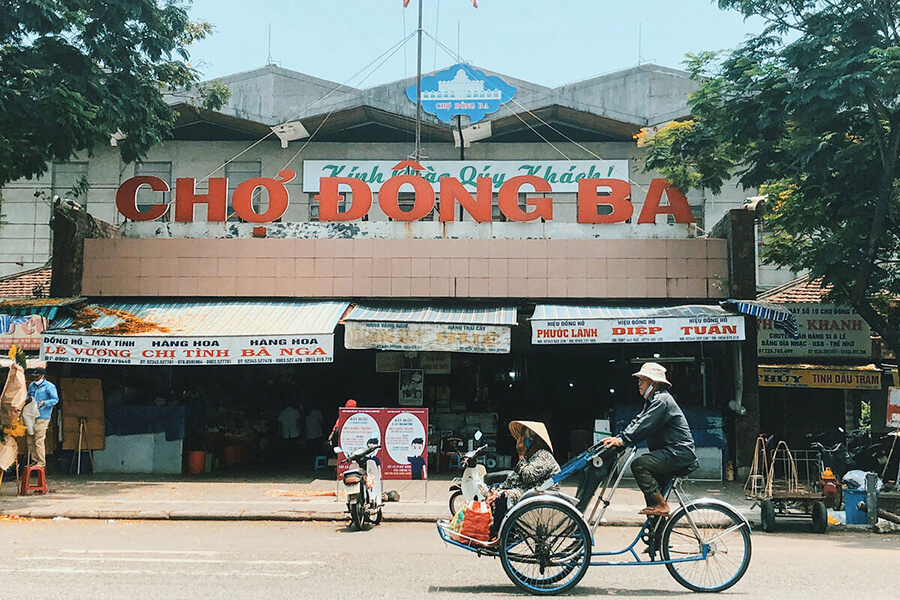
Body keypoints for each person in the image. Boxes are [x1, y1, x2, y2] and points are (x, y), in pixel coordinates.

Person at [601, 362, 698, 517]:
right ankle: (658, 538)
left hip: (677, 452)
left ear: (653, 383)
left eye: (642, 380)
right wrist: (620, 438)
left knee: (639, 465)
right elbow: (638, 421)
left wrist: (623, 440)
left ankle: (661, 504)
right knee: (651, 503)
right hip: (669, 452)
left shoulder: (662, 401)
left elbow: (644, 425)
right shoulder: (653, 401)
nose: (639, 384)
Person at [488, 420, 560, 541]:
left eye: (524, 438)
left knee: (502, 496)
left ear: (533, 441)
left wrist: (520, 455)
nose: (521, 441)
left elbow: (528, 476)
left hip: (537, 494)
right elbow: (515, 477)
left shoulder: (543, 455)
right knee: (494, 488)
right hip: (529, 490)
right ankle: (493, 529)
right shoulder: (531, 457)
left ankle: (501, 534)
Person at [26, 367, 58, 467]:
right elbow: (27, 396)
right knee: (30, 438)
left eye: (37, 376)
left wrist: (45, 403)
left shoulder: (49, 386)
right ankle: (34, 459)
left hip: (43, 416)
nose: (35, 379)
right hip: (31, 415)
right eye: (34, 377)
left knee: (39, 439)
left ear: (42, 376)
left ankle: (41, 461)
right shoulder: (32, 385)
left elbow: (55, 400)